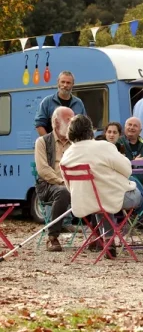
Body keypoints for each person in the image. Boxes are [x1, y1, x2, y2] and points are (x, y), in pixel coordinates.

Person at [60, 115, 143, 256]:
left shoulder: (66, 155)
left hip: (84, 203)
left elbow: (69, 186)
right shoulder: (103, 146)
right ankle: (136, 221)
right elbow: (127, 170)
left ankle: (108, 240)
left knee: (100, 199)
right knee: (138, 191)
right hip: (114, 199)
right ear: (90, 130)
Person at [34, 106, 75, 252]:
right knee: (63, 192)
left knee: (95, 190)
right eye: (68, 120)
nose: (72, 123)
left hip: (75, 184)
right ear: (56, 123)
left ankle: (99, 238)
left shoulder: (75, 143)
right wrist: (63, 182)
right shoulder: (42, 142)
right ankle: (52, 238)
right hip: (49, 185)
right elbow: (43, 170)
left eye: (73, 119)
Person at [34, 71, 86, 136]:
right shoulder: (47, 102)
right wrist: (49, 143)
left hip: (73, 144)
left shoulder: (78, 103)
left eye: (68, 83)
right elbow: (39, 125)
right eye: (63, 82)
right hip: (53, 144)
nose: (65, 85)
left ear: (73, 84)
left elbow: (84, 126)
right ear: (58, 82)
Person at [117, 117, 143, 193]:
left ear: (140, 131)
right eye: (129, 125)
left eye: (135, 126)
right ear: (125, 128)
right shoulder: (118, 142)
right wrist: (133, 162)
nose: (132, 127)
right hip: (124, 181)